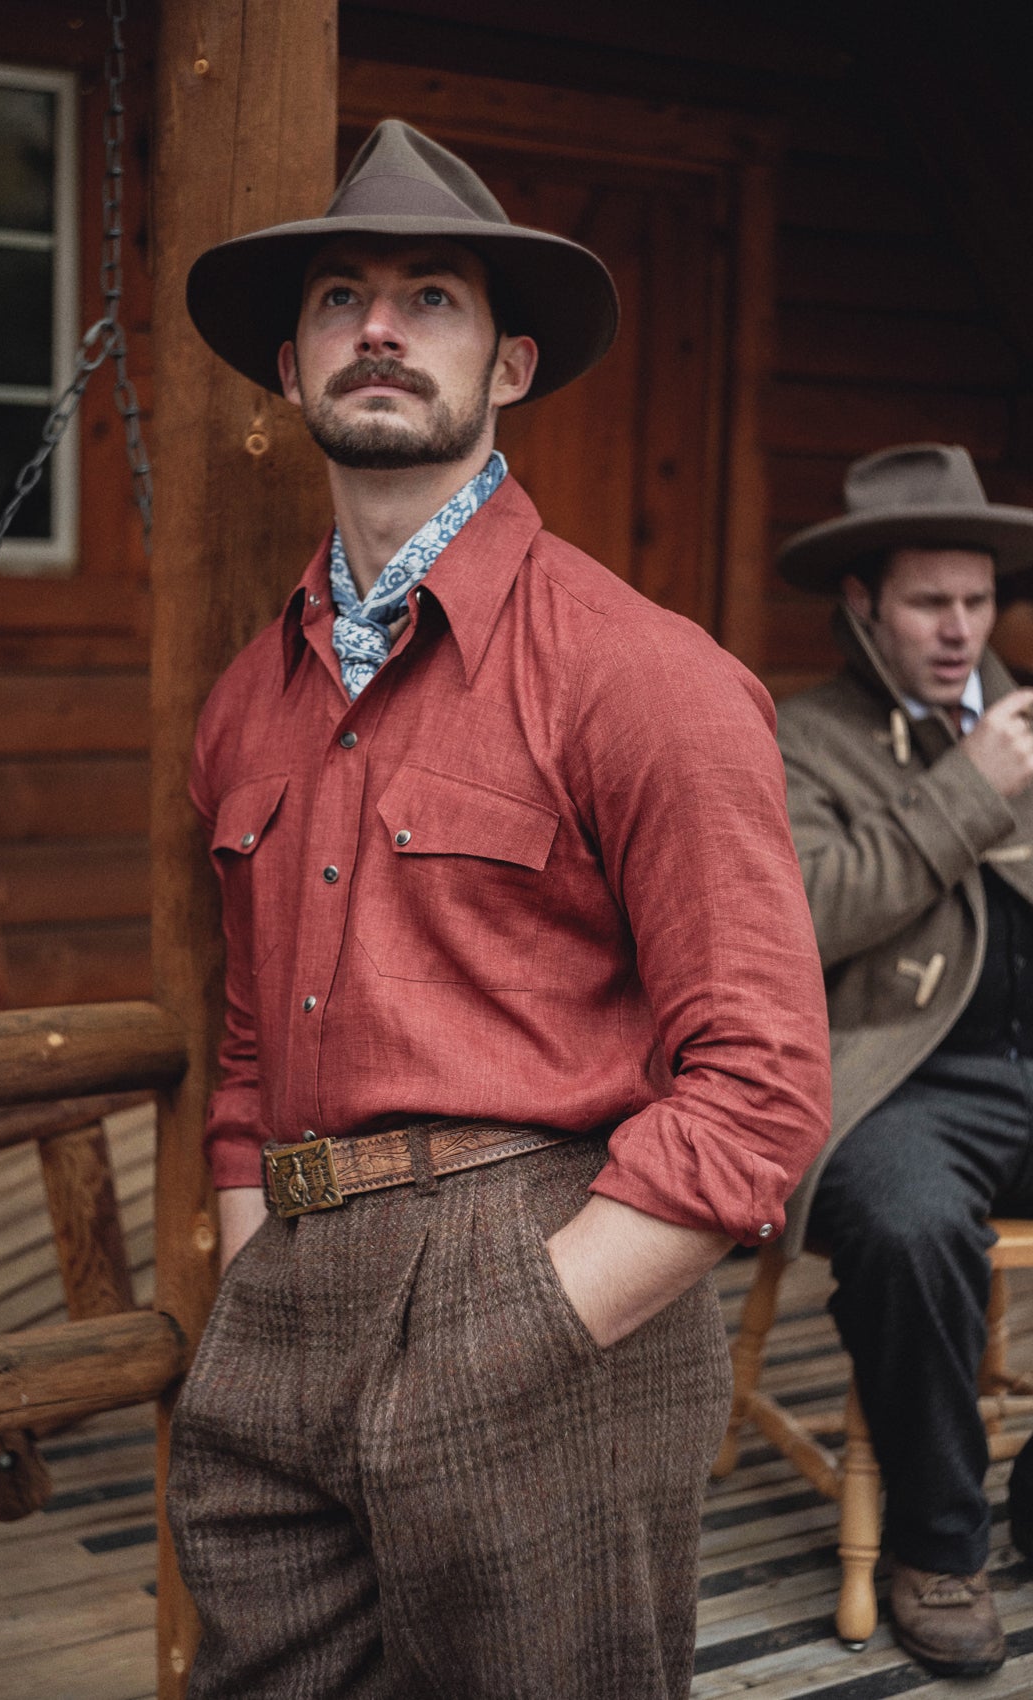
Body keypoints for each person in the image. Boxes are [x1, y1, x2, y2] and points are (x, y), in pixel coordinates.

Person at [167, 119, 830, 1700]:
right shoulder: (247, 704)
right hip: (289, 1307)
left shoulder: (639, 674)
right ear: (291, 363)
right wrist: (256, 1284)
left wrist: (527, 1324)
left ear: (512, 367)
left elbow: (762, 1081)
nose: (379, 326)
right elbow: (251, 1046)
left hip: (528, 1266)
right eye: (340, 295)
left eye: (431, 298)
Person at [775, 442, 1033, 1678]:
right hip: (892, 1083)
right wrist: (964, 792)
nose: (959, 629)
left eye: (977, 601)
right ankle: (939, 1544)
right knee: (913, 1224)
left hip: (1028, 1067)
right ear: (863, 601)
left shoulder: (1027, 714)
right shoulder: (800, 737)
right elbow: (804, 913)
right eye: (931, 601)